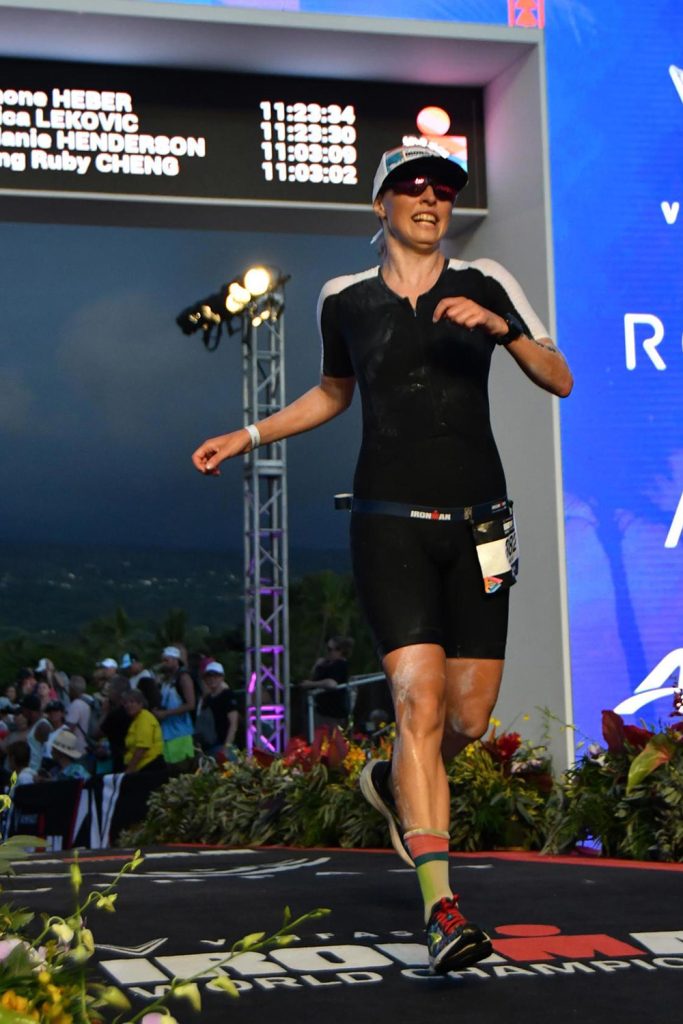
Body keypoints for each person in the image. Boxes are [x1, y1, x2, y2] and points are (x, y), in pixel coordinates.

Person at [191, 141, 572, 973]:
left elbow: (560, 376)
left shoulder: (488, 282)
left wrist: (503, 333)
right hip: (387, 522)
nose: (430, 200)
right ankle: (442, 908)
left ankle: (390, 782)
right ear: (381, 205)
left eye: (442, 191)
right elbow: (332, 393)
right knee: (416, 700)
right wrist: (247, 433)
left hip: (486, 530)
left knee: (466, 720)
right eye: (413, 188)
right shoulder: (344, 300)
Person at [154, 646, 196, 773]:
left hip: (180, 733)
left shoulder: (183, 678)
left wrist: (166, 713)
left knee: (182, 770)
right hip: (167, 734)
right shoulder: (165, 680)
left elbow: (190, 704)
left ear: (175, 660)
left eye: (167, 660)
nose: (164, 663)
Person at [299, 636, 354, 733]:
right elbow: (313, 677)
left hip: (332, 713)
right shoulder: (326, 664)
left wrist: (311, 684)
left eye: (329, 649)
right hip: (321, 710)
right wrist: (317, 666)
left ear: (339, 651)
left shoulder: (340, 665)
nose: (327, 652)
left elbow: (332, 683)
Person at [195, 661, 239, 759]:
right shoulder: (207, 699)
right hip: (209, 748)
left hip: (224, 746)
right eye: (209, 676)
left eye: (216, 676)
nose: (212, 679)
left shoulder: (227, 695)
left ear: (222, 677)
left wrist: (226, 747)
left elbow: (233, 723)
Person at [122, 690, 166, 774]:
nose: (128, 705)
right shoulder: (137, 719)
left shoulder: (144, 719)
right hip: (141, 767)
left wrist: (130, 769)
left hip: (148, 767)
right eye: (125, 703)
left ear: (140, 703)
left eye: (132, 702)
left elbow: (142, 747)